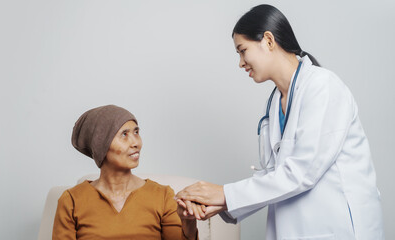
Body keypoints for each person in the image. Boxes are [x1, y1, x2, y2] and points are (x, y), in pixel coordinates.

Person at [175, 4, 384, 240]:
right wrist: (220, 204)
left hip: (340, 228)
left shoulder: (322, 87)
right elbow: (274, 176)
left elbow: (302, 173)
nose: (241, 63)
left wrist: (225, 194)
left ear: (268, 40)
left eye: (243, 50)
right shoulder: (275, 103)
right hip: (298, 229)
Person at [52, 105, 198, 240]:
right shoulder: (71, 201)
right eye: (124, 134)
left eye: (136, 132)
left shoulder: (163, 196)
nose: (136, 143)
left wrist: (189, 223)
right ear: (100, 145)